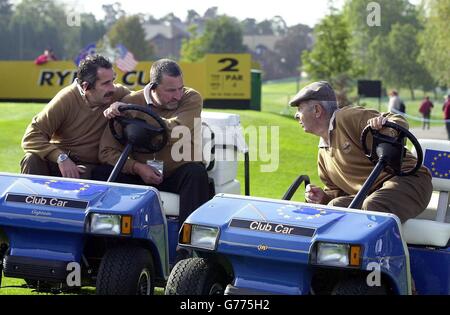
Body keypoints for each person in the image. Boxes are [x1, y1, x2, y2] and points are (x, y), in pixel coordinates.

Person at [290, 81, 432, 223]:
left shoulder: (347, 117)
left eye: (300, 109)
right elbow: (335, 192)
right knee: (335, 206)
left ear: (317, 110)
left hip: (409, 181)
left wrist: (385, 129)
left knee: (373, 205)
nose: (296, 115)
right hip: (370, 194)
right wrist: (323, 198)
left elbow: (398, 120)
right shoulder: (322, 153)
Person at [97, 58, 210, 224]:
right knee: (100, 173)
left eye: (180, 88)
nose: (177, 95)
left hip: (178, 173)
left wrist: (136, 117)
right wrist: (137, 168)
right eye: (171, 90)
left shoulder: (191, 98)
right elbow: (106, 152)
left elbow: (177, 129)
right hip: (141, 173)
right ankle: (109, 238)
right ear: (153, 87)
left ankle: (188, 243)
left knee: (196, 173)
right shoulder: (130, 102)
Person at [21, 55, 131, 179]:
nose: (112, 88)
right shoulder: (65, 99)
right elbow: (31, 137)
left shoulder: (119, 93)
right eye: (106, 83)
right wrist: (61, 158)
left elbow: (145, 99)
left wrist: (123, 105)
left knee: (85, 174)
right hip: (59, 161)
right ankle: (28, 199)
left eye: (113, 80)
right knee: (31, 159)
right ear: (85, 87)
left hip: (91, 167)